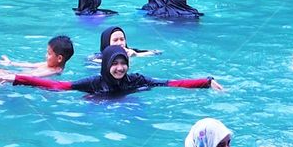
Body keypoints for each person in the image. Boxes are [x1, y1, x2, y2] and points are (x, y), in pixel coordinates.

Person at [12, 45, 221, 97]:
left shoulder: (136, 80)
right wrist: (18, 78)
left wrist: (206, 82)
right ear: (105, 64)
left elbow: (170, 83)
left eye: (123, 63)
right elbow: (58, 86)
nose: (120, 68)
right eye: (114, 64)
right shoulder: (93, 83)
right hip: (98, 103)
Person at [0, 35, 74, 77]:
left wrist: (10, 76)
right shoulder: (47, 64)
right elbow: (30, 65)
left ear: (59, 58)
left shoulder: (55, 71)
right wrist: (11, 63)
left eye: (49, 54)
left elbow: (34, 76)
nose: (46, 55)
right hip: (19, 74)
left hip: (21, 77)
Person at [94, 24, 160, 59]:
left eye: (122, 39)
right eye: (115, 40)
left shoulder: (131, 51)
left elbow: (157, 52)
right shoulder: (97, 58)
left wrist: (136, 55)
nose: (120, 43)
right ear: (107, 43)